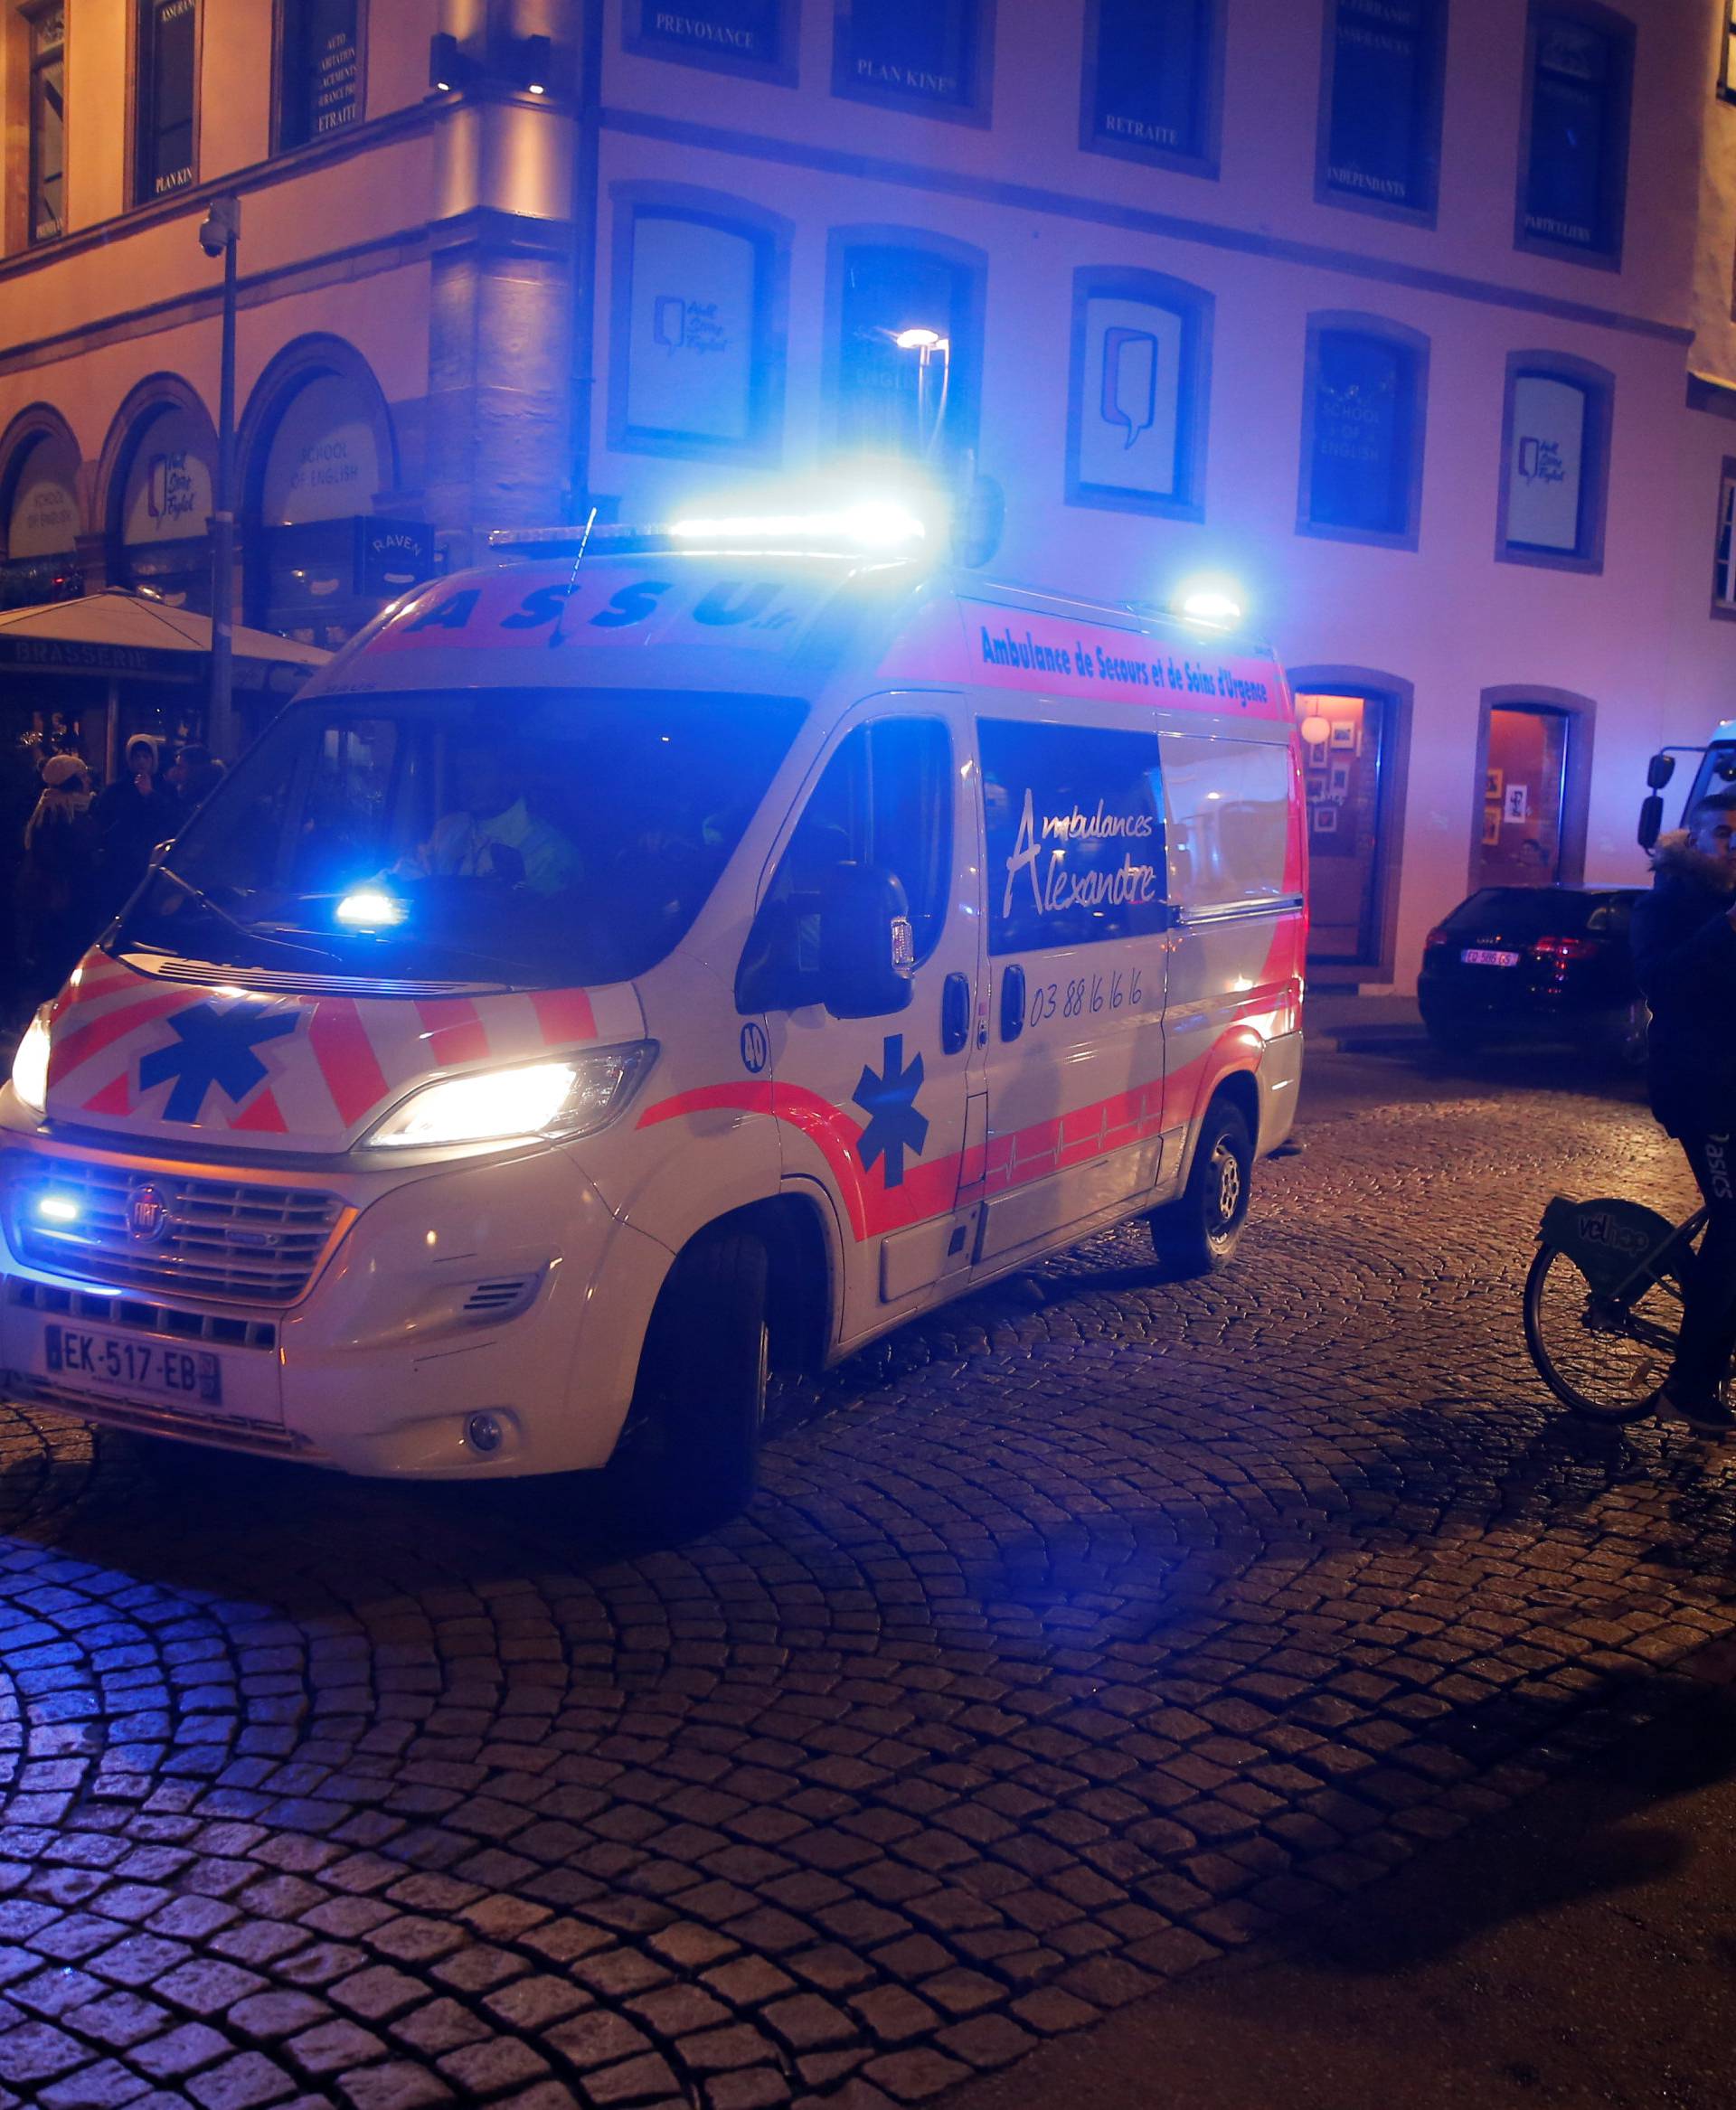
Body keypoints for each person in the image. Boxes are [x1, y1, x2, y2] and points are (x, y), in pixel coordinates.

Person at [1629, 786, 1736, 1434]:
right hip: (1696, 1089)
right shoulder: (1664, 903)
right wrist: (1725, 929)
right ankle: (1688, 1386)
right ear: (1694, 839)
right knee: (1734, 1223)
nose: (1735, 848)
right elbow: (1661, 981)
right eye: (1724, 834)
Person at [406, 739, 581, 896]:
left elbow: (551, 923)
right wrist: (392, 881)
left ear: (510, 778)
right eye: (461, 773)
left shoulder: (549, 850)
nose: (465, 783)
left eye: (477, 772)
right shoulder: (448, 828)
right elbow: (411, 875)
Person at [19, 752, 100, 996]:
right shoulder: (58, 812)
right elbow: (63, 855)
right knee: (61, 957)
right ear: (71, 780)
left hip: (65, 896)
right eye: (82, 776)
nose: (88, 781)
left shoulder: (65, 806)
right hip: (64, 898)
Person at [93, 734, 180, 913]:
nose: (141, 761)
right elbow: (104, 818)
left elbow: (174, 817)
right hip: (121, 860)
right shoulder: (116, 789)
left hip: (153, 858)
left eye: (146, 757)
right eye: (136, 756)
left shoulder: (165, 788)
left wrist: (150, 795)